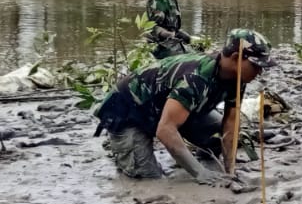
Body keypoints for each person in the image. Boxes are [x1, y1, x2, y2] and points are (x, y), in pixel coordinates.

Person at [94, 28, 269, 182]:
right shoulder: (195, 78)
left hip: (167, 109)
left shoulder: (237, 77)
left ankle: (200, 156)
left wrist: (230, 170)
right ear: (236, 58)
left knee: (216, 132)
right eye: (256, 66)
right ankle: (122, 149)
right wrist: (199, 173)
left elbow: (230, 124)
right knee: (148, 178)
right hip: (127, 113)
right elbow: (165, 130)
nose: (259, 72)